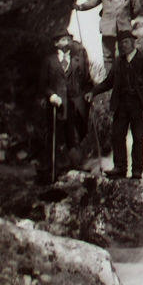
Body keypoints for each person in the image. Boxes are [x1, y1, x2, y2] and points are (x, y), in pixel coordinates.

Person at [92, 32, 143, 180]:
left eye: (126, 42)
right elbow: (108, 82)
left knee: (138, 139)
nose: (123, 45)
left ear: (133, 43)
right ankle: (119, 168)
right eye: (121, 43)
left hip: (139, 106)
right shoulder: (117, 62)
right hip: (121, 105)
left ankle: (137, 170)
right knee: (117, 136)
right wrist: (93, 92)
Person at [43, 30, 93, 176]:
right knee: (55, 134)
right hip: (57, 104)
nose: (67, 42)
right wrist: (51, 95)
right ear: (56, 44)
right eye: (63, 40)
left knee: (75, 134)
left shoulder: (79, 60)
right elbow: (43, 84)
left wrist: (90, 93)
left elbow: (88, 81)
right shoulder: (49, 61)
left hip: (76, 103)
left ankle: (76, 164)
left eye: (68, 40)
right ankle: (52, 166)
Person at [76, 0, 134, 68]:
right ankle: (110, 79)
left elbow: (137, 8)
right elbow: (91, 3)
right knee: (108, 56)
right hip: (108, 29)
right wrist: (79, 7)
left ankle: (126, 78)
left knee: (126, 53)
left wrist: (128, 18)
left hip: (124, 28)